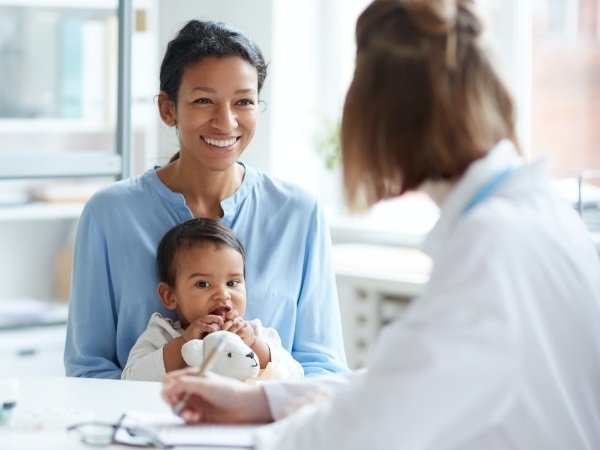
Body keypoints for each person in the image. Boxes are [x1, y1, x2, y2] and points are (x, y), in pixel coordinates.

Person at [160, 1, 600, 448]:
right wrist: (263, 403)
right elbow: (401, 382)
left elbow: (374, 425)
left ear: (386, 115)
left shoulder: (493, 246)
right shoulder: (532, 215)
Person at [64, 19, 348, 378]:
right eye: (204, 100)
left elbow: (324, 369)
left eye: (243, 101)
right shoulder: (109, 214)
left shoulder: (300, 213)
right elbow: (88, 371)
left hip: (266, 429)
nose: (226, 122)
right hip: (143, 430)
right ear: (168, 109)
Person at [122, 217, 303, 382]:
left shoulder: (257, 333)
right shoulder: (162, 334)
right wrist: (184, 343)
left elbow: (296, 375)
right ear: (170, 295)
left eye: (232, 282)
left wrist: (255, 345)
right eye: (203, 284)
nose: (223, 294)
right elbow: (130, 380)